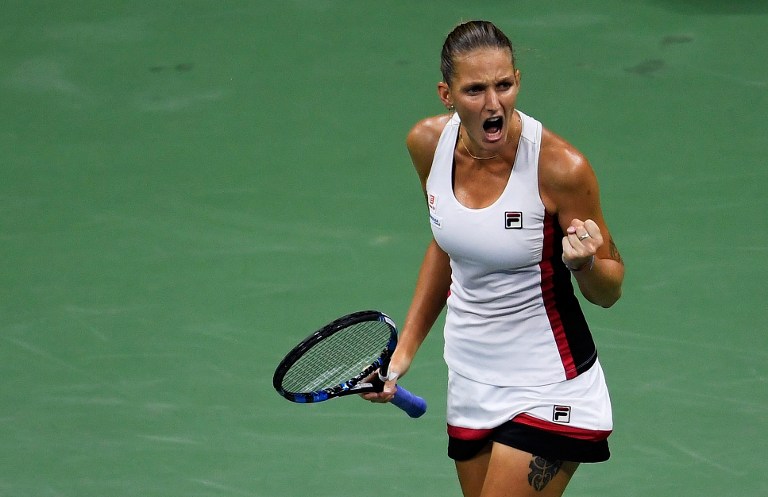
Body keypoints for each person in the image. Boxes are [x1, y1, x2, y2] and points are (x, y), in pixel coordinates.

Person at [363, 20, 625, 497]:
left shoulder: (560, 168)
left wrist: (584, 264)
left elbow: (611, 288)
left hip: (549, 383)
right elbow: (447, 246)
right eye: (475, 89)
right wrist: (402, 355)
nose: (493, 104)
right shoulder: (427, 144)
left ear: (518, 81)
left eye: (503, 86)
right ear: (447, 93)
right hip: (470, 378)